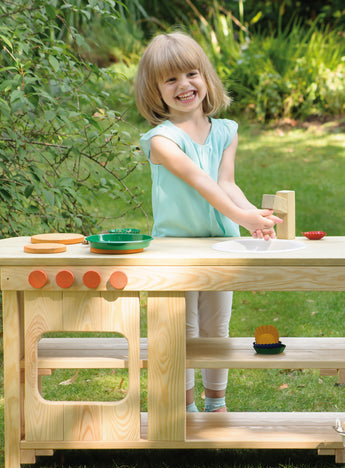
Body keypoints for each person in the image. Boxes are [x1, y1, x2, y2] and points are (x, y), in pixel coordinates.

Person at [135, 32, 281, 413]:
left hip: (221, 246)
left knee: (216, 329)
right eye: (170, 79)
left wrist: (253, 216)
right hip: (175, 250)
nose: (184, 85)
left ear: (205, 77)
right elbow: (200, 182)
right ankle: (184, 409)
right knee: (182, 330)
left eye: (191, 74)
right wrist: (243, 217)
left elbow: (225, 183)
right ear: (155, 91)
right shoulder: (161, 140)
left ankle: (216, 404)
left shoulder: (226, 131)